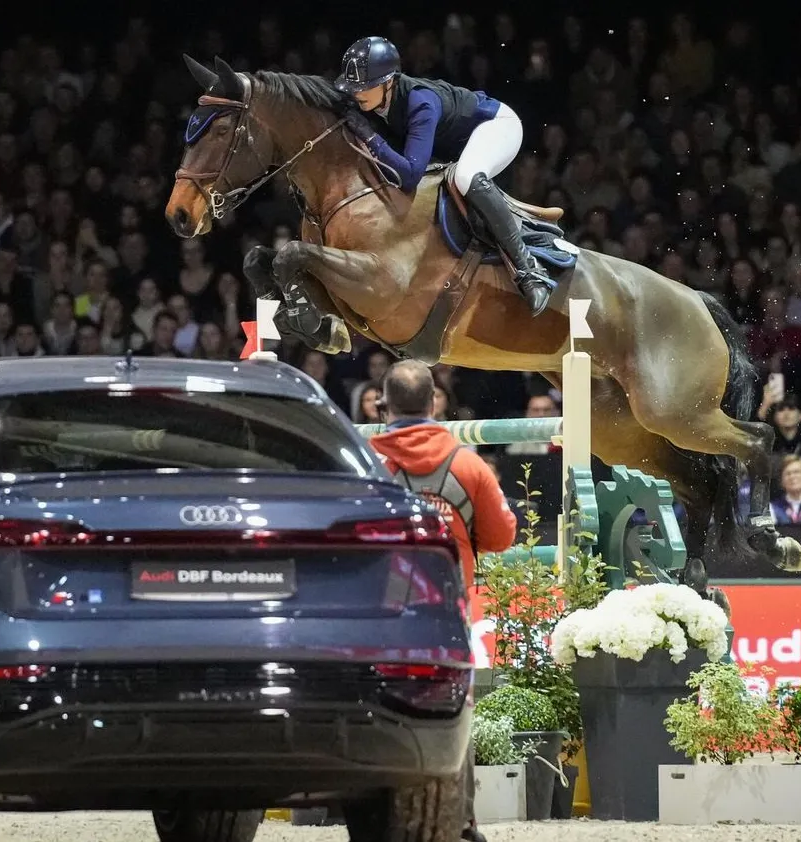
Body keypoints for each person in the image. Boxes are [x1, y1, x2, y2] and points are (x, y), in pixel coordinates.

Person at [367, 359, 517, 842]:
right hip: (447, 616)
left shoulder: (366, 465)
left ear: (383, 405)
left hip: (378, 617)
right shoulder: (468, 464)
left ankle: (372, 816)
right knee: (453, 712)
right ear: (433, 403)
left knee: (376, 709)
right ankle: (462, 821)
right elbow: (502, 536)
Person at [333, 35, 552, 317]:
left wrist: (369, 136)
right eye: (354, 87)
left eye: (365, 86)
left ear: (388, 82)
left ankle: (529, 269)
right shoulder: (375, 101)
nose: (357, 93)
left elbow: (410, 175)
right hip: (457, 146)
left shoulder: (420, 102)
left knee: (466, 176)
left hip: (497, 126)